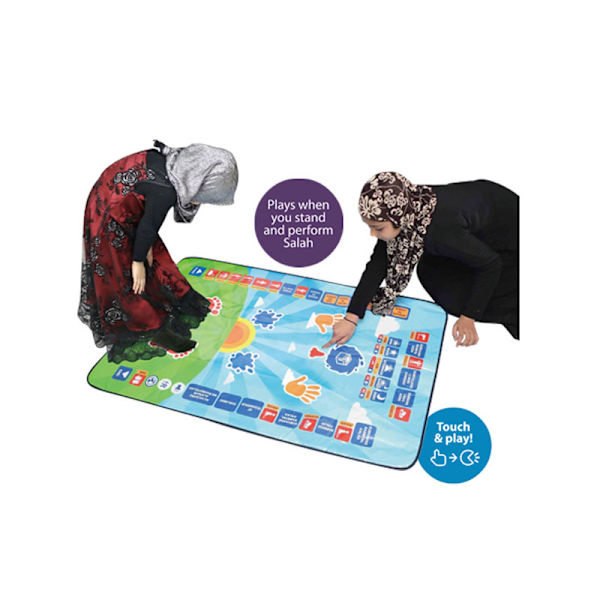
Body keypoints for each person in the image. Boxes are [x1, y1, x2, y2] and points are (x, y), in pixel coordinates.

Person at [78, 140, 238, 363]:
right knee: (124, 277)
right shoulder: (165, 190)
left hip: (122, 201)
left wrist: (146, 248)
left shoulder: (174, 165)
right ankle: (151, 328)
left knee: (156, 260)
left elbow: (147, 219)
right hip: (109, 214)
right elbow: (148, 226)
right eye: (202, 196)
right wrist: (137, 261)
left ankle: (161, 307)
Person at [324, 172, 519, 348]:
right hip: (479, 226)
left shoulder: (441, 233)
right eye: (370, 227)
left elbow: (491, 264)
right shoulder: (409, 204)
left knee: (457, 297)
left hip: (511, 246)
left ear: (398, 217)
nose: (373, 234)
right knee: (429, 269)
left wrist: (469, 317)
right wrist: (351, 317)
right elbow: (378, 264)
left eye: (378, 228)